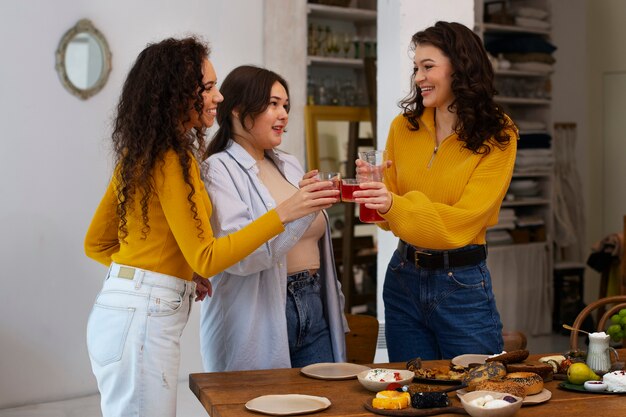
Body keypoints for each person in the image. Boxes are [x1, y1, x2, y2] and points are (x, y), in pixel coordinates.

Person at [84, 39, 338, 417]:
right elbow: (208, 255)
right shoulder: (176, 158)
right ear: (177, 93)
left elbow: (98, 243)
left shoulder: (143, 151)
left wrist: (172, 273)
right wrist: (285, 212)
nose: (217, 97)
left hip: (123, 308)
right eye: (207, 88)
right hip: (143, 318)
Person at [354, 21, 518, 361]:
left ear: (460, 68)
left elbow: (463, 223)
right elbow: (388, 221)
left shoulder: (498, 135)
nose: (418, 77)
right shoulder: (403, 127)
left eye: (428, 67)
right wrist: (377, 193)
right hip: (402, 279)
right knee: (414, 394)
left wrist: (394, 204)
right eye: (416, 68)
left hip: (461, 285)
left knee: (478, 393)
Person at [198, 65, 348, 372]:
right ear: (238, 110)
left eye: (285, 106)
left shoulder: (289, 164)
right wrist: (301, 209)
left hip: (313, 301)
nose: (283, 114)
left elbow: (308, 232)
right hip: (262, 313)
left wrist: (313, 201)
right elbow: (242, 256)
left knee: (322, 405)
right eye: (273, 104)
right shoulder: (217, 169)